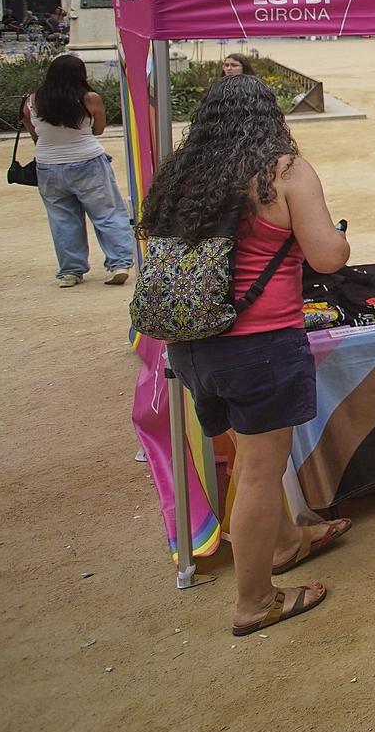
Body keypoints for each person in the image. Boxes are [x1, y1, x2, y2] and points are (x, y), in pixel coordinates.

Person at [145, 75, 351, 635]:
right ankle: (254, 601)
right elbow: (328, 257)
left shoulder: (182, 173)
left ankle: (283, 540)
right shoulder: (283, 172)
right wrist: (339, 237)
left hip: (191, 345)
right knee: (261, 472)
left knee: (243, 458)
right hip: (258, 346)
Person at [21, 53, 136, 287]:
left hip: (49, 164)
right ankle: (119, 263)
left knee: (62, 219)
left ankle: (70, 271)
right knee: (107, 213)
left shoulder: (32, 101)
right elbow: (99, 130)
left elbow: (35, 134)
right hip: (88, 160)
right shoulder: (90, 99)